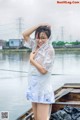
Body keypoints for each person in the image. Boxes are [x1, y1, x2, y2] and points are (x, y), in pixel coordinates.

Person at [22, 24, 55, 120]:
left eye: (43, 38)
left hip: (43, 91)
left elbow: (43, 71)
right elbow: (24, 34)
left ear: (48, 38)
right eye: (37, 37)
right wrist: (39, 25)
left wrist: (32, 60)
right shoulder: (34, 45)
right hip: (34, 89)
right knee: (36, 118)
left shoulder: (49, 50)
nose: (40, 41)